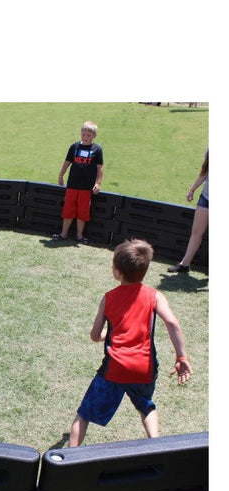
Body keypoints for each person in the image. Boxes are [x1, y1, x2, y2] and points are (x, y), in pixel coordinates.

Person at [68, 239, 193, 447]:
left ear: (117, 272)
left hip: (114, 368)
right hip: (144, 367)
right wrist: (182, 357)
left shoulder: (108, 298)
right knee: (146, 406)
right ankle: (157, 447)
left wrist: (103, 335)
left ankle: (68, 462)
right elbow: (172, 322)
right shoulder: (155, 296)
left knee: (83, 415)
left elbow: (95, 334)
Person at [52, 121, 104, 244]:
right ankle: (63, 234)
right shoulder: (74, 147)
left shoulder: (97, 149)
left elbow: (100, 168)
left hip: (86, 187)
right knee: (68, 209)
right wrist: (61, 175)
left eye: (89, 135)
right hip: (72, 185)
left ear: (94, 136)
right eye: (84, 134)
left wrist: (98, 183)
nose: (85, 137)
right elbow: (67, 162)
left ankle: (79, 236)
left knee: (83, 211)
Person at [168, 149, 209, 274]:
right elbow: (205, 172)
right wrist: (192, 190)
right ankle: (184, 264)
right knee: (196, 231)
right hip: (206, 198)